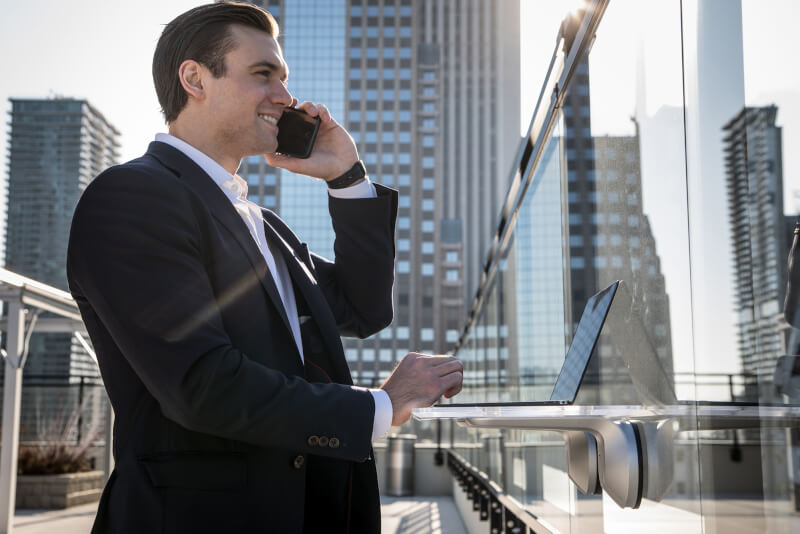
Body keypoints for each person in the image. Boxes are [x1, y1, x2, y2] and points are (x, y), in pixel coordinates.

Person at [66, 3, 463, 533]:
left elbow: (363, 308)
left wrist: (347, 179)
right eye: (263, 75)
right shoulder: (132, 196)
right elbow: (203, 385)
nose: (286, 96)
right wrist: (381, 406)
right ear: (195, 78)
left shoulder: (260, 223)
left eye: (284, 78)